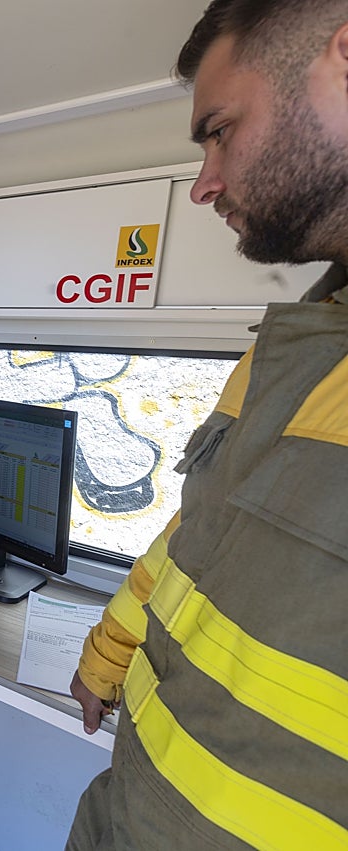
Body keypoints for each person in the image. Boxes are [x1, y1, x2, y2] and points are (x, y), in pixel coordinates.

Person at [67, 1, 348, 848]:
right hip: (128, 805)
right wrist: (108, 653)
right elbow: (202, 530)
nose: (203, 183)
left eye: (220, 130)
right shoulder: (288, 350)